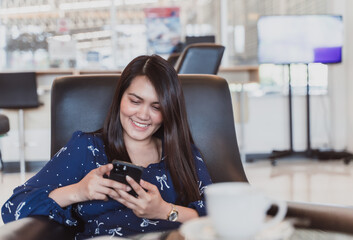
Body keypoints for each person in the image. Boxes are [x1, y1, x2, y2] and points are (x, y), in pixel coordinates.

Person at [1, 55, 212, 239]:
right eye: (135, 101)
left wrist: (164, 211)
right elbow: (13, 208)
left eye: (156, 107)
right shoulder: (86, 148)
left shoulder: (184, 155)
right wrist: (79, 191)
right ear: (120, 98)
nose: (143, 115)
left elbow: (217, 214)